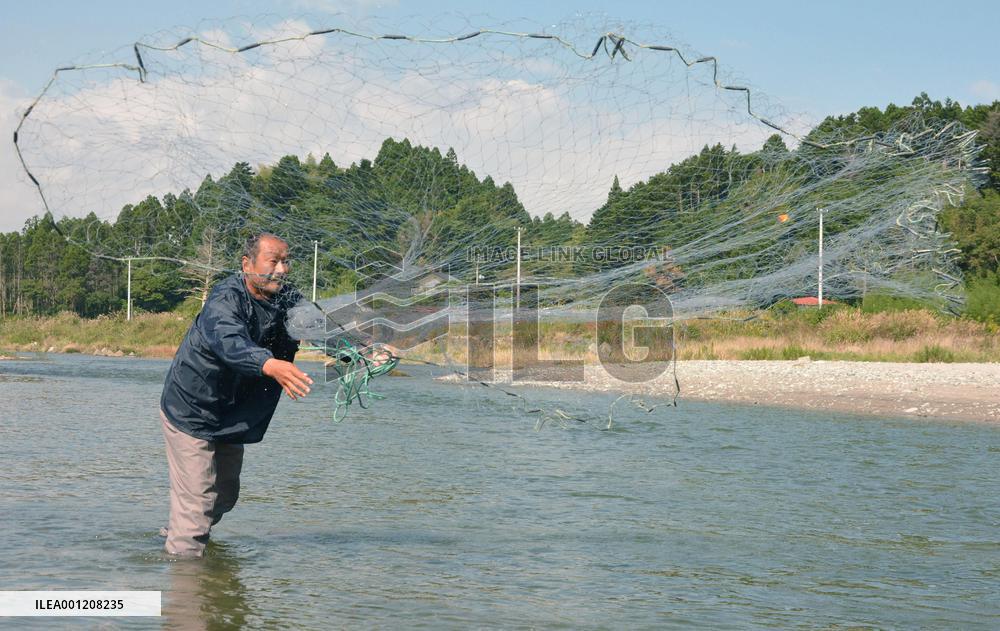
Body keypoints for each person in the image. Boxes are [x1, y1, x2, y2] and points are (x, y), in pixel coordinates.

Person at [158, 232, 314, 557]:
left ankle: (181, 531)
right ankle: (187, 589)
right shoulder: (224, 300)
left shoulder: (286, 299)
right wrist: (269, 364)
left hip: (232, 416)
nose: (282, 270)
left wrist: (361, 351)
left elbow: (318, 326)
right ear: (248, 264)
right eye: (274, 261)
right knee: (198, 503)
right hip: (192, 412)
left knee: (224, 495)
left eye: (286, 261)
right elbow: (230, 342)